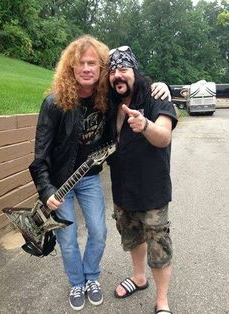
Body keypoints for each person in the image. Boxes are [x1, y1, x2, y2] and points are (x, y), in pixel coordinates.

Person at [29, 35, 171, 312]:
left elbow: (137, 89)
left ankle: (92, 277)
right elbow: (40, 155)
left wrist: (161, 86)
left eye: (93, 63)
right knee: (67, 238)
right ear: (71, 67)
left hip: (89, 178)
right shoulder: (54, 103)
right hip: (59, 184)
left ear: (101, 69)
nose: (86, 68)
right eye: (80, 63)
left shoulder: (106, 99)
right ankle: (77, 283)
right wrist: (46, 190)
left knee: (98, 232)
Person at [107, 46, 178, 314]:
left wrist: (145, 125)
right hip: (122, 190)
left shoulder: (156, 97)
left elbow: (164, 136)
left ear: (134, 71)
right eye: (113, 71)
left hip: (152, 192)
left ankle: (162, 301)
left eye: (123, 69)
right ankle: (139, 278)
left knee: (158, 246)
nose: (117, 75)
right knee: (133, 238)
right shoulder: (110, 104)